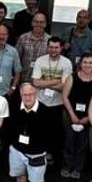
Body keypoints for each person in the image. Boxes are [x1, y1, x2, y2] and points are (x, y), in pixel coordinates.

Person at [7, 83, 51, 182]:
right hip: (17, 150)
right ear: (20, 95)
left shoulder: (45, 111)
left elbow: (51, 134)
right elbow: (9, 127)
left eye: (30, 94)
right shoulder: (14, 108)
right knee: (19, 173)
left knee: (37, 181)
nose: (28, 97)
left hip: (36, 153)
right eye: (25, 94)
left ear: (36, 93)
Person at [61, 54, 92, 179]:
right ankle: (66, 166)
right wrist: (72, 115)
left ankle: (77, 168)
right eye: (85, 62)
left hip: (88, 116)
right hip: (70, 114)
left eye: (90, 63)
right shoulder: (72, 77)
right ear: (80, 64)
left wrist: (88, 117)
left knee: (82, 144)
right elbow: (65, 97)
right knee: (69, 142)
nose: (87, 65)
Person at [32, 36, 72, 165]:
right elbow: (35, 82)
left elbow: (64, 86)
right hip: (40, 101)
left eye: (56, 47)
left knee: (54, 132)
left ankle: (50, 155)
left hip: (58, 103)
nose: (53, 50)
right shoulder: (40, 60)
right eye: (51, 47)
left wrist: (44, 83)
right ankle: (38, 152)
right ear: (47, 47)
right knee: (38, 129)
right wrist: (56, 81)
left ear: (61, 48)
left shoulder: (66, 63)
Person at [16, 12, 50, 77]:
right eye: (36, 22)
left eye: (41, 22)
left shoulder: (50, 40)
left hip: (41, 79)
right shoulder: (23, 38)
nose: (38, 24)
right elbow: (17, 59)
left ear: (45, 24)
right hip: (23, 78)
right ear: (32, 23)